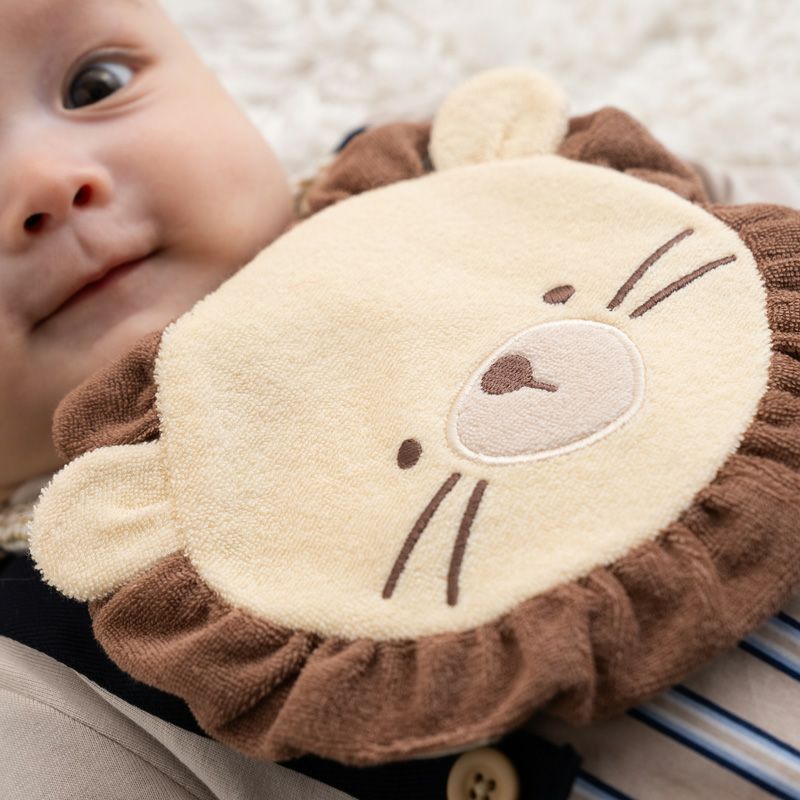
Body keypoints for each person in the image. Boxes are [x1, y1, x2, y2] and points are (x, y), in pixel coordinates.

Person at [0, 1, 797, 798]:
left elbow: (734, 257)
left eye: (94, 84)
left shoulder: (458, 184)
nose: (46, 184)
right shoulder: (32, 680)